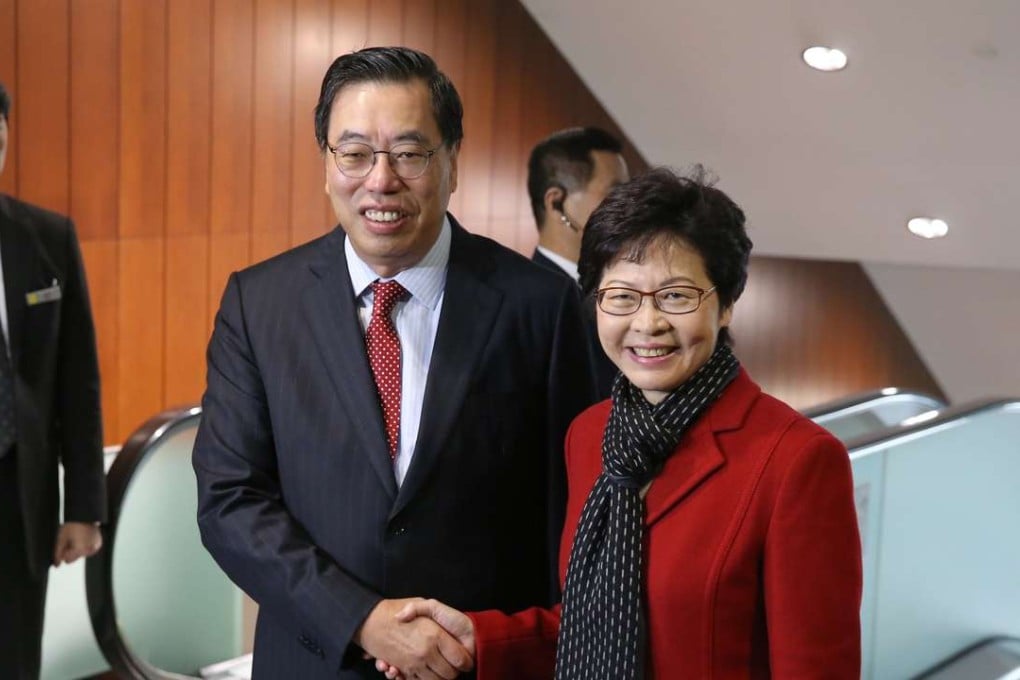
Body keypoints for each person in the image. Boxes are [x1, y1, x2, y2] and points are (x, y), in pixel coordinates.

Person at [192, 47, 596, 679]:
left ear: (453, 161)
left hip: (481, 663)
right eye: (353, 154)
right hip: (314, 660)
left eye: (409, 153)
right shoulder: (258, 304)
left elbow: (572, 511)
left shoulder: (540, 308)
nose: (380, 181)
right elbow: (230, 501)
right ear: (326, 165)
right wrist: (360, 618)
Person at [385, 167, 863, 679]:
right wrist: (479, 637)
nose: (647, 323)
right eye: (622, 296)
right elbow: (601, 625)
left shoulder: (798, 461)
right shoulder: (591, 434)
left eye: (677, 296)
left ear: (725, 305)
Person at [0, 81, 106, 679]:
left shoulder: (46, 238)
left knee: (15, 658)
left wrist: (84, 507)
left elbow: (77, 380)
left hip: (19, 495)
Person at [527, 127, 629, 398]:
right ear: (557, 203)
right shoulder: (527, 302)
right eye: (614, 194)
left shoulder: (622, 291)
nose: (627, 207)